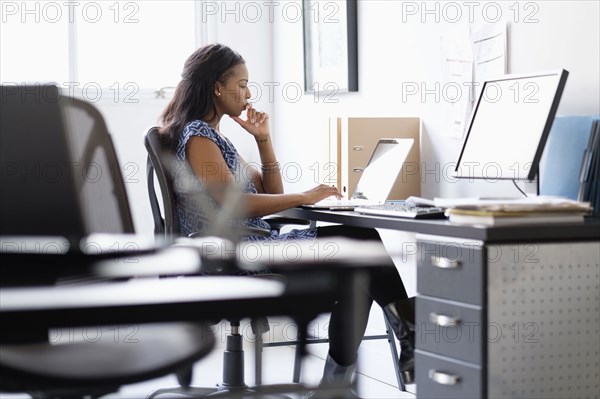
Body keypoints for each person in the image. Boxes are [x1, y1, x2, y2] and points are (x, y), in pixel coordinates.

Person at [159, 43, 416, 394]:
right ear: (217, 87)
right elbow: (234, 205)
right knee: (361, 242)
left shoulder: (213, 138)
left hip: (247, 248)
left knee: (358, 271)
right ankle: (400, 339)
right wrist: (305, 197)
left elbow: (269, 191)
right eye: (243, 84)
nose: (249, 94)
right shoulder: (198, 137)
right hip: (233, 255)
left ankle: (342, 380)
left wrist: (264, 141)